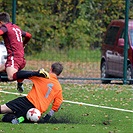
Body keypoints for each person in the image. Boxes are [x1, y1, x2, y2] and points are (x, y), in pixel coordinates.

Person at [0, 12, 32, 93]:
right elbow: (28, 35)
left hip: (14, 58)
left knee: (11, 77)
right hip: (20, 58)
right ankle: (20, 80)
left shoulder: (5, 27)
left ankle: (36, 74)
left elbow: (0, 32)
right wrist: (24, 43)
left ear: (0, 22)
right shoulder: (16, 27)